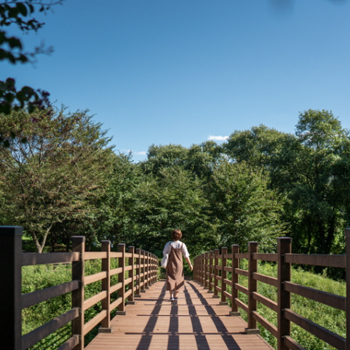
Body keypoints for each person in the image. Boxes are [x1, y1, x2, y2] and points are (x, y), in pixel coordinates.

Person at [163, 229, 193, 301]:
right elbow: (186, 256)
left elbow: (164, 252)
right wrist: (190, 264)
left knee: (170, 278)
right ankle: (176, 295)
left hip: (170, 264)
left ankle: (171, 296)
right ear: (180, 236)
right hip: (179, 264)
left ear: (172, 236)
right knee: (179, 279)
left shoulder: (168, 244)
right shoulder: (182, 244)